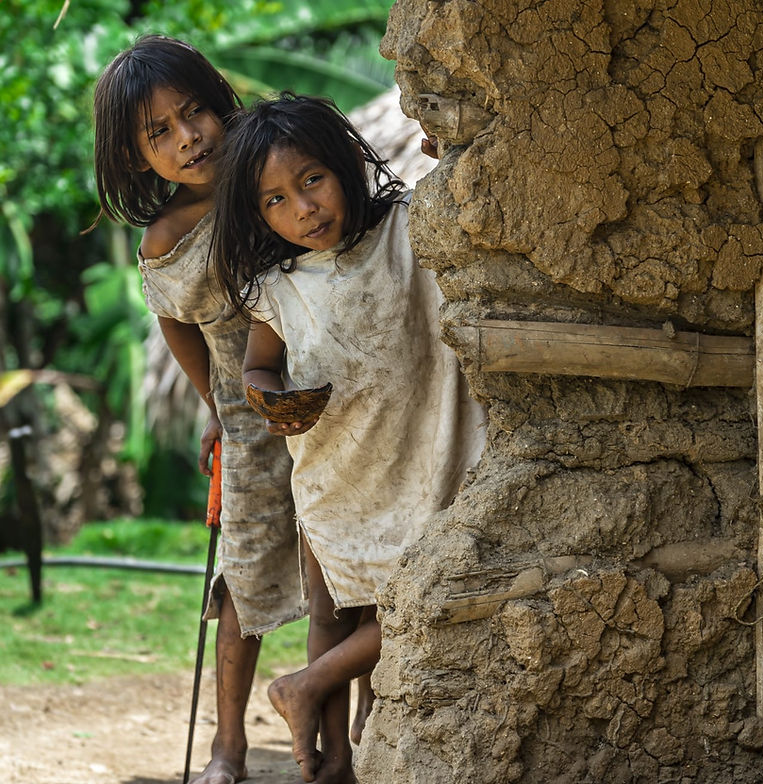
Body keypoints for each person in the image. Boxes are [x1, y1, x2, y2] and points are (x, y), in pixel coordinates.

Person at [210, 92, 487, 784]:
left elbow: (467, 191)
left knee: (428, 594)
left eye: (311, 181)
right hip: (334, 470)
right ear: (256, 215)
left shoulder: (409, 232)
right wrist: (271, 400)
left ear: (345, 165)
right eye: (274, 201)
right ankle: (329, 762)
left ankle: (305, 684)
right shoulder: (277, 287)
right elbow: (258, 366)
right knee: (330, 609)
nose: (302, 209)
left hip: (423, 454)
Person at [91, 36, 308, 784]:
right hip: (250, 423)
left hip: (335, 402)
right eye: (160, 132)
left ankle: (343, 733)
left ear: (220, 105)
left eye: (195, 113)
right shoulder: (168, 240)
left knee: (347, 570)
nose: (189, 137)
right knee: (242, 577)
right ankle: (228, 746)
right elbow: (176, 321)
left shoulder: (273, 180)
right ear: (133, 158)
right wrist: (213, 402)